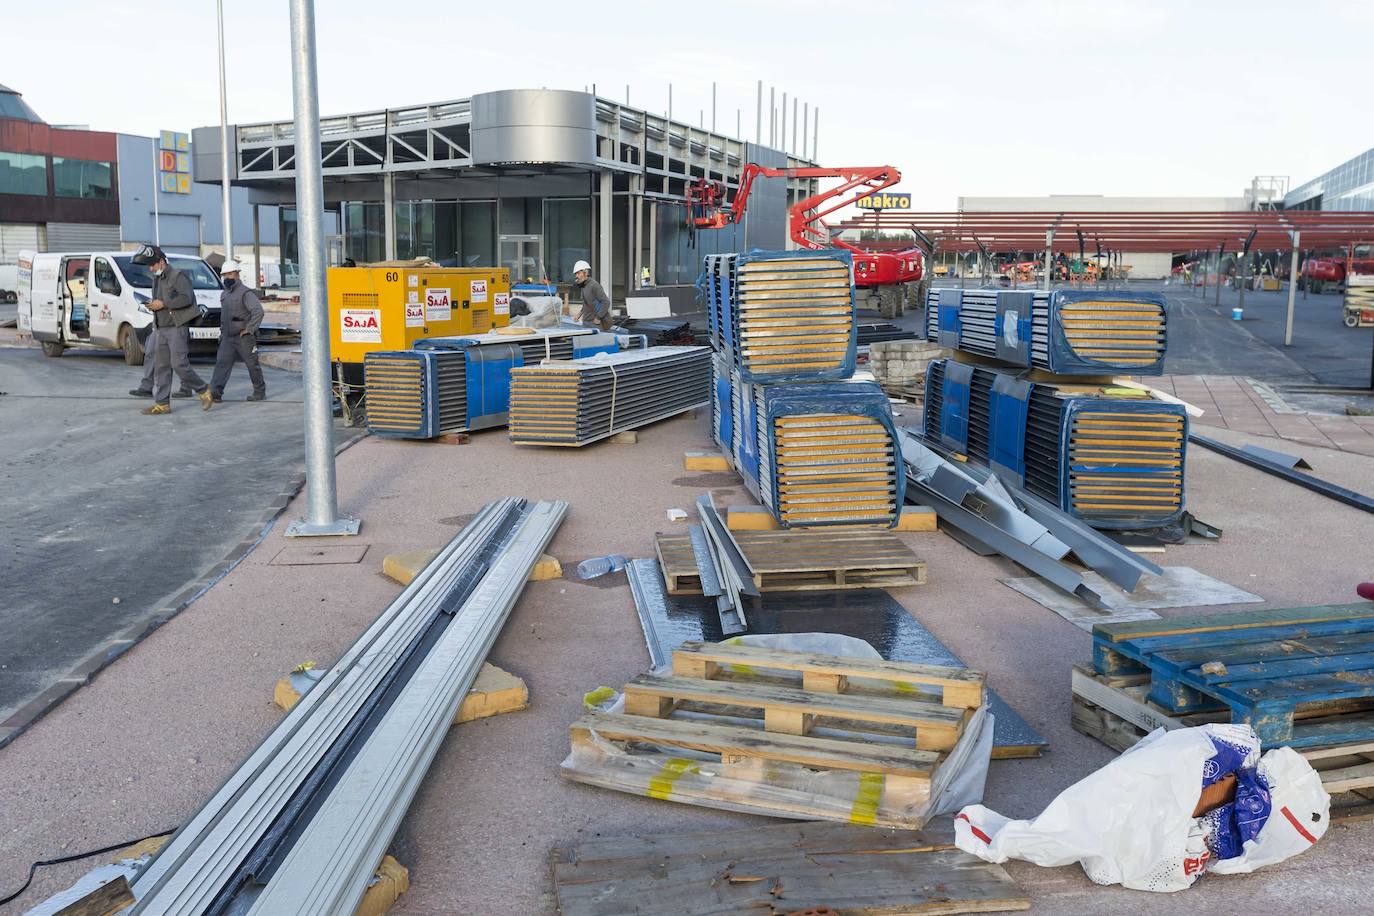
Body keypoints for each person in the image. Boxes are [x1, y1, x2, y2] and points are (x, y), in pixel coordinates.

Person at [133, 244, 212, 414]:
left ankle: (204, 389)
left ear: (161, 261)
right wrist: (152, 306)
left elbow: (187, 298)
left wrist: (163, 303)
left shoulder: (178, 276)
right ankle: (162, 403)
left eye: (152, 264)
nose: (151, 268)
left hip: (177, 327)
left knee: (179, 364)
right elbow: (160, 302)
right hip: (161, 327)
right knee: (161, 367)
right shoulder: (157, 279)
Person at [209, 259, 267, 402]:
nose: (227, 278)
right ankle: (216, 392)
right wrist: (222, 333)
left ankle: (259, 392)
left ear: (237, 274)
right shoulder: (224, 294)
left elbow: (258, 311)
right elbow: (224, 316)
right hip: (228, 337)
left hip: (244, 337)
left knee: (252, 365)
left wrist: (249, 329)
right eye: (225, 275)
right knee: (222, 363)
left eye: (230, 274)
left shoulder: (245, 293)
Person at [573, 259, 612, 331]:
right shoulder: (583, 286)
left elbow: (606, 302)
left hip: (596, 324)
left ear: (585, 273)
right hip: (586, 322)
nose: (576, 276)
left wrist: (598, 317)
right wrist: (579, 314)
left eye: (578, 273)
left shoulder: (594, 285)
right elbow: (586, 303)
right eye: (576, 274)